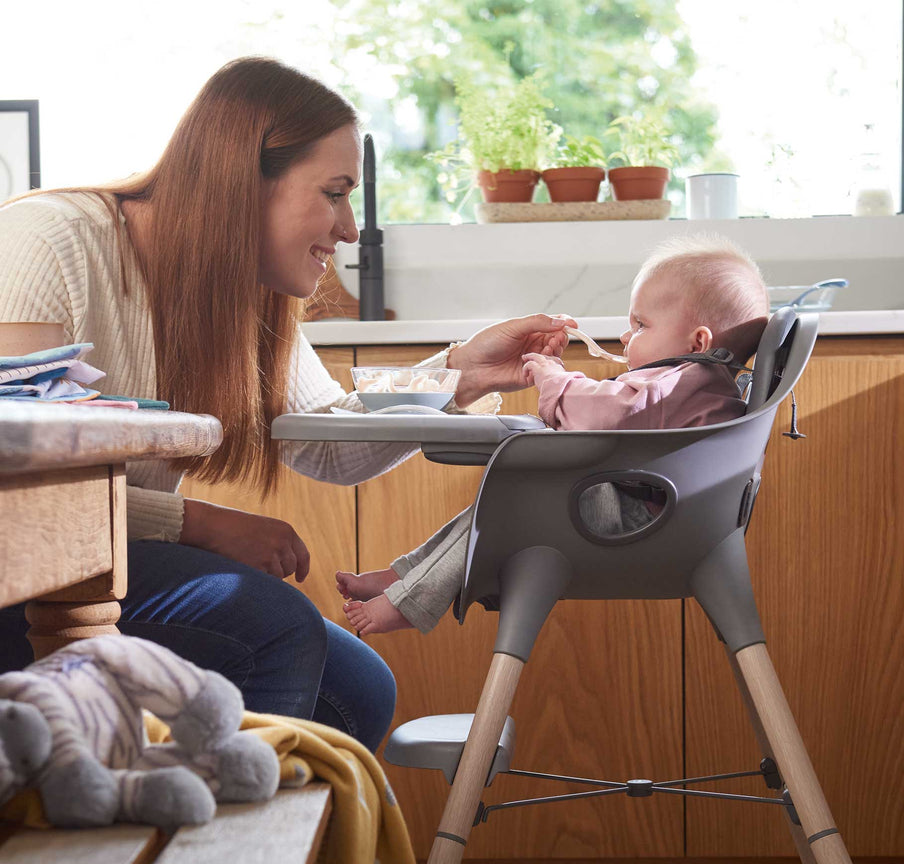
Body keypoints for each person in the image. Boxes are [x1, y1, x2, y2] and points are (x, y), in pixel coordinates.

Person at [0, 56, 573, 754]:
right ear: (245, 181)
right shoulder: (48, 241)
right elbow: (21, 481)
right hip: (27, 565)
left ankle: (237, 844)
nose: (352, 228)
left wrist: (460, 374)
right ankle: (220, 860)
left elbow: (328, 444)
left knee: (359, 690)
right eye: (334, 192)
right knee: (274, 629)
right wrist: (197, 523)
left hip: (107, 557)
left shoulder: (238, 291)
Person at [336, 235, 770, 636]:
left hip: (642, 521)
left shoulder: (684, 379)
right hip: (653, 513)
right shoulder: (693, 383)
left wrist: (555, 379)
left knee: (516, 491)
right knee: (501, 498)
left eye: (640, 325)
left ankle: (413, 599)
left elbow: (610, 412)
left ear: (698, 342)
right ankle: (407, 576)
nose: (625, 336)